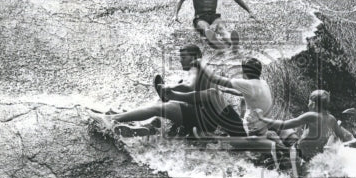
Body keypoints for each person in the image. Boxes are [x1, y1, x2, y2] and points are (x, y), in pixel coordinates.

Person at [92, 45, 245, 139]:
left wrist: (171, 88)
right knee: (161, 104)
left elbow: (189, 86)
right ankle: (149, 126)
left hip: (201, 118)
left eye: (183, 57)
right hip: (205, 120)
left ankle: (112, 119)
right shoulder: (204, 70)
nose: (180, 60)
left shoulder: (196, 66)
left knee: (159, 107)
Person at [255, 89, 356, 178]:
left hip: (298, 153)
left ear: (314, 104)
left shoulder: (312, 115)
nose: (308, 104)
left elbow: (284, 124)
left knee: (270, 134)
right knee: (287, 132)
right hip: (313, 155)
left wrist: (262, 118)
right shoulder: (332, 119)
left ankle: (276, 164)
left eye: (309, 101)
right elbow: (343, 137)